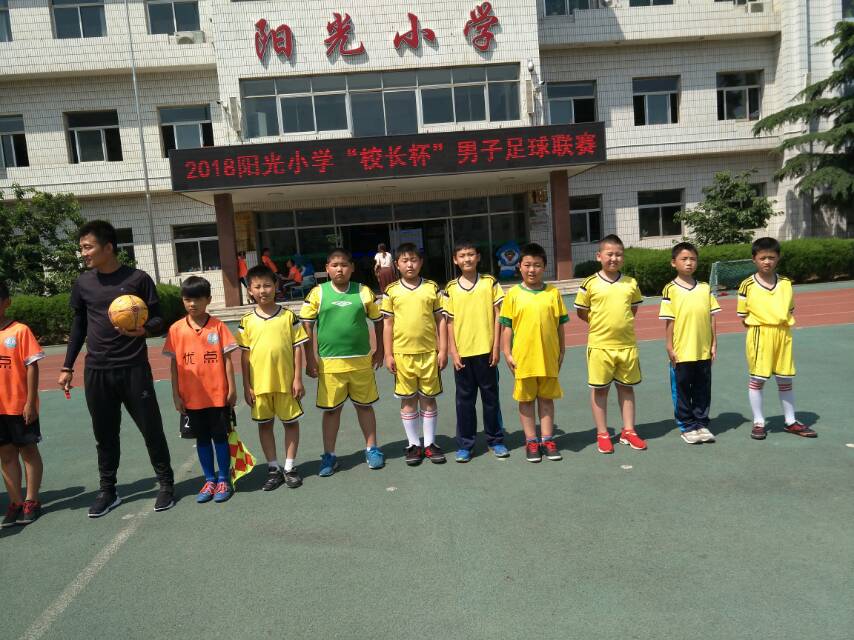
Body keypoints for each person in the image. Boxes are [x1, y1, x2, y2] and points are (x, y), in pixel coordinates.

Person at [59, 220, 175, 517]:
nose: (83, 253)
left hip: (133, 368)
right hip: (97, 370)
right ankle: (108, 491)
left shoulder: (138, 279)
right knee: (105, 435)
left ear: (108, 247)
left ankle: (166, 485)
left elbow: (159, 318)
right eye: (82, 248)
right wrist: (67, 366)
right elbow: (79, 326)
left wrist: (145, 330)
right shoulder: (83, 283)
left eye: (88, 247)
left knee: (151, 429)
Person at [300, 248, 385, 477]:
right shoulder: (317, 293)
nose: (340, 269)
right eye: (335, 265)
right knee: (331, 412)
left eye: (344, 265)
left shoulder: (363, 291)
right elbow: (307, 325)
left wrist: (380, 350)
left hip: (361, 362)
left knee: (364, 406)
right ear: (327, 268)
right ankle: (329, 455)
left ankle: (372, 449)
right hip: (330, 364)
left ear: (352, 268)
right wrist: (310, 359)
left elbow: (378, 321)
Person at [164, 276, 239, 503]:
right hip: (191, 398)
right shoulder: (176, 329)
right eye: (187, 299)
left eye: (197, 299)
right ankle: (209, 479)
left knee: (220, 437)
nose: (192, 304)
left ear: (208, 300)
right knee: (202, 439)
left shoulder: (218, 326)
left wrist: (232, 388)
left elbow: (227, 360)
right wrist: (175, 394)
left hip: (217, 396)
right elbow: (174, 365)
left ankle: (224, 478)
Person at [238, 265, 309, 490]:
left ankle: (289, 467)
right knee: (265, 426)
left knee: (291, 423)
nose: (263, 291)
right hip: (260, 386)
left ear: (276, 286)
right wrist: (247, 386)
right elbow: (244, 356)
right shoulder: (246, 320)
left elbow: (297, 348)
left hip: (286, 384)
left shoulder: (288, 316)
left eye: (267, 285)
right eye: (257, 286)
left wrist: (297, 378)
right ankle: (273, 468)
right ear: (250, 290)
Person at [737, 237, 816, 439]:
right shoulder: (747, 285)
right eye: (762, 257)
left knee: (785, 378)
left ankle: (790, 421)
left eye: (771, 257)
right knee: (757, 379)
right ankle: (758, 422)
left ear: (778, 258)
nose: (767, 261)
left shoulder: (786, 283)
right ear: (754, 259)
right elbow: (742, 315)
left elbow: (790, 309)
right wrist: (761, 326)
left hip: (783, 333)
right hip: (760, 334)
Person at [574, 234, 647, 454]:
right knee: (600, 391)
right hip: (600, 347)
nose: (614, 258)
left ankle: (629, 431)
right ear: (599, 256)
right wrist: (600, 324)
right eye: (609, 254)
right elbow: (581, 311)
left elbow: (632, 309)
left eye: (618, 254)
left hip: (626, 346)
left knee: (626, 388)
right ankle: (603, 433)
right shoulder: (589, 283)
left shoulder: (630, 283)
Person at [499, 243, 568, 463]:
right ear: (519, 266)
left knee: (546, 399)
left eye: (537, 265)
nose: (532, 270)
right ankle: (531, 441)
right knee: (526, 400)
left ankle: (547, 440)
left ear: (544, 267)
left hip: (548, 357)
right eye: (527, 265)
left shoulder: (553, 293)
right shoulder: (513, 294)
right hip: (524, 358)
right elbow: (507, 327)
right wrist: (507, 353)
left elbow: (560, 326)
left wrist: (562, 350)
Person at [382, 243, 448, 466]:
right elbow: (388, 325)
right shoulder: (391, 291)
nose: (409, 265)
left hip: (429, 353)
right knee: (408, 399)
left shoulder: (431, 287)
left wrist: (443, 350)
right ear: (397, 264)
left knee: (428, 399)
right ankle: (413, 444)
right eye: (404, 260)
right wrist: (388, 354)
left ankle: (430, 443)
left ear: (421, 262)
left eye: (414, 260)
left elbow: (441, 320)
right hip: (402, 355)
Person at [443, 241, 507, 463]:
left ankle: (495, 440)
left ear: (478, 257)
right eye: (462, 255)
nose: (467, 259)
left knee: (491, 399)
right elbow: (449, 322)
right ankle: (465, 445)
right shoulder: (451, 288)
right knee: (464, 401)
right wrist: (453, 351)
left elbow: (499, 315)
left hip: (486, 352)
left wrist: (496, 346)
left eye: (471, 254)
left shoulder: (490, 282)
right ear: (455, 260)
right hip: (463, 354)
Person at [659, 242, 720, 445]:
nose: (689, 263)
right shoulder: (670, 289)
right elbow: (669, 320)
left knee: (703, 388)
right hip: (682, 351)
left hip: (703, 350)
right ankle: (687, 425)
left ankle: (701, 423)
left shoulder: (705, 288)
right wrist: (669, 346)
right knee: (682, 390)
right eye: (684, 259)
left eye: (693, 259)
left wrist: (714, 343)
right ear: (673, 263)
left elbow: (712, 316)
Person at [0, 280, 46, 527]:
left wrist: (30, 402)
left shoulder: (19, 331)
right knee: (6, 454)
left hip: (19, 406)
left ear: (6, 302)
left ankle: (31, 500)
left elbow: (31, 366)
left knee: (28, 451)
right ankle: (16, 502)